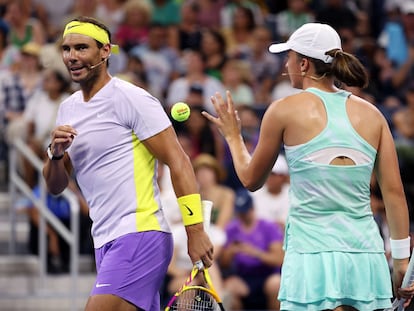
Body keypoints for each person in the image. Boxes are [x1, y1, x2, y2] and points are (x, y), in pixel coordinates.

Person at [203, 22, 414, 310]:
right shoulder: (373, 115)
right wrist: (401, 260)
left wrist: (232, 137)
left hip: (309, 256)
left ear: (303, 64)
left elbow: (251, 179)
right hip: (365, 256)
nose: (285, 63)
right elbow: (394, 193)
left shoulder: (282, 110)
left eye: (288, 57)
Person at [42, 16, 214, 311]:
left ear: (105, 51)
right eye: (67, 49)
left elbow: (179, 162)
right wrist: (56, 155)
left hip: (140, 233)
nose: (72, 57)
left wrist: (195, 231)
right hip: (104, 240)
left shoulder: (132, 98)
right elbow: (56, 185)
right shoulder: (67, 109)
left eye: (82, 48)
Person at [219, 188, 284, 310]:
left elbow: (279, 259)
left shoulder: (268, 227)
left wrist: (254, 252)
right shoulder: (231, 229)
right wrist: (230, 252)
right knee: (229, 287)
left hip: (267, 275)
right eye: (240, 213)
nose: (242, 216)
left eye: (245, 212)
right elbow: (224, 264)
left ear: (252, 209)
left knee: (276, 284)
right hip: (243, 276)